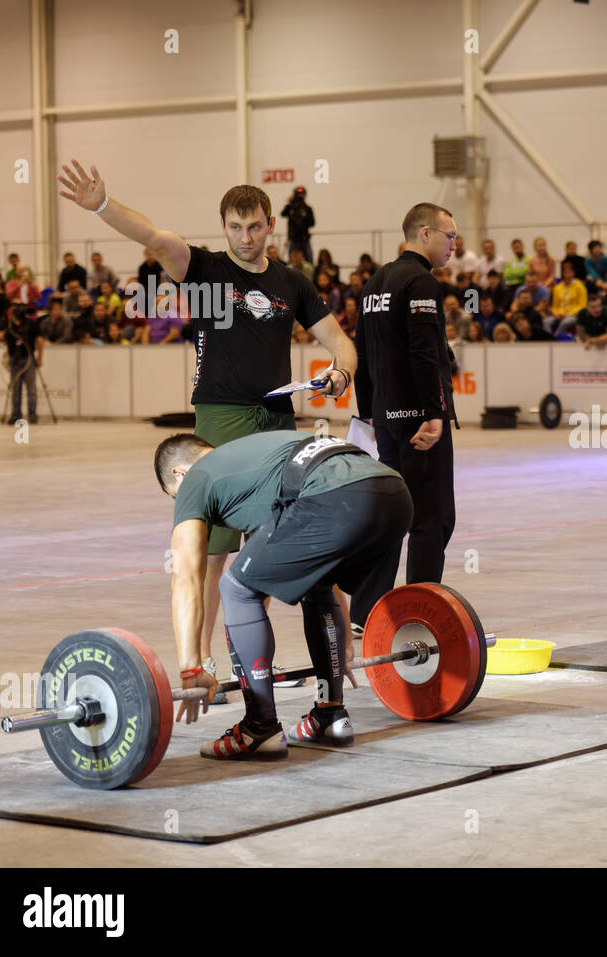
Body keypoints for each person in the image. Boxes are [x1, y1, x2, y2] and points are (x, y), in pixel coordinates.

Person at [57, 161, 356, 694]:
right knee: (214, 552)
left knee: (266, 545)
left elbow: (343, 344)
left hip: (278, 420)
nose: (245, 238)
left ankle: (246, 652)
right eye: (236, 227)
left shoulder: (293, 284)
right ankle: (199, 662)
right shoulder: (205, 269)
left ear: (270, 225)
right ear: (224, 227)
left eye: (255, 226)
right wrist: (102, 205)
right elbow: (152, 235)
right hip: (220, 417)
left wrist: (339, 374)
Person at [156, 430, 411, 755]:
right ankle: (330, 714)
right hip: (392, 491)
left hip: (335, 497)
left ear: (179, 473)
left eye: (174, 496)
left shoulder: (197, 476)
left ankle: (259, 729)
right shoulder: (253, 461)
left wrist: (191, 667)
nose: (182, 504)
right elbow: (323, 571)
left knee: (236, 588)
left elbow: (187, 577)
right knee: (315, 586)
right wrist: (339, 647)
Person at [352, 202, 458, 638]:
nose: (454, 244)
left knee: (393, 514)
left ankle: (363, 611)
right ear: (425, 233)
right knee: (431, 518)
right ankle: (423, 608)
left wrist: (369, 413)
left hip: (387, 420)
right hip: (418, 422)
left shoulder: (375, 282)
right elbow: (424, 353)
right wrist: (435, 414)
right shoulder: (420, 281)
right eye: (450, 236)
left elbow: (362, 354)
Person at [0, 303, 44, 424]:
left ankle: (32, 415)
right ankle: (15, 414)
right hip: (14, 360)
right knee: (16, 389)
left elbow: (40, 340)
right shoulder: (9, 326)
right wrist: (2, 333)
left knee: (31, 389)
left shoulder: (31, 324)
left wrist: (40, 358)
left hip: (28, 359)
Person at [280, 186, 316, 264]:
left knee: (309, 259)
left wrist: (305, 217)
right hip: (293, 237)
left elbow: (312, 223)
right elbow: (283, 214)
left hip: (304, 238)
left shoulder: (307, 209)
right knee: (291, 260)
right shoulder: (291, 207)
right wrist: (289, 203)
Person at [550, 262, 588, 332]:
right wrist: (557, 314)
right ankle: (547, 339)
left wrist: (569, 314)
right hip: (559, 314)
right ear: (563, 274)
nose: (567, 275)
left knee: (565, 322)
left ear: (573, 273)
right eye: (565, 273)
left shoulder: (580, 286)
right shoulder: (557, 288)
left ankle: (556, 339)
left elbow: (583, 306)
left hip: (574, 315)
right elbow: (554, 306)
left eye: (569, 273)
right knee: (546, 322)